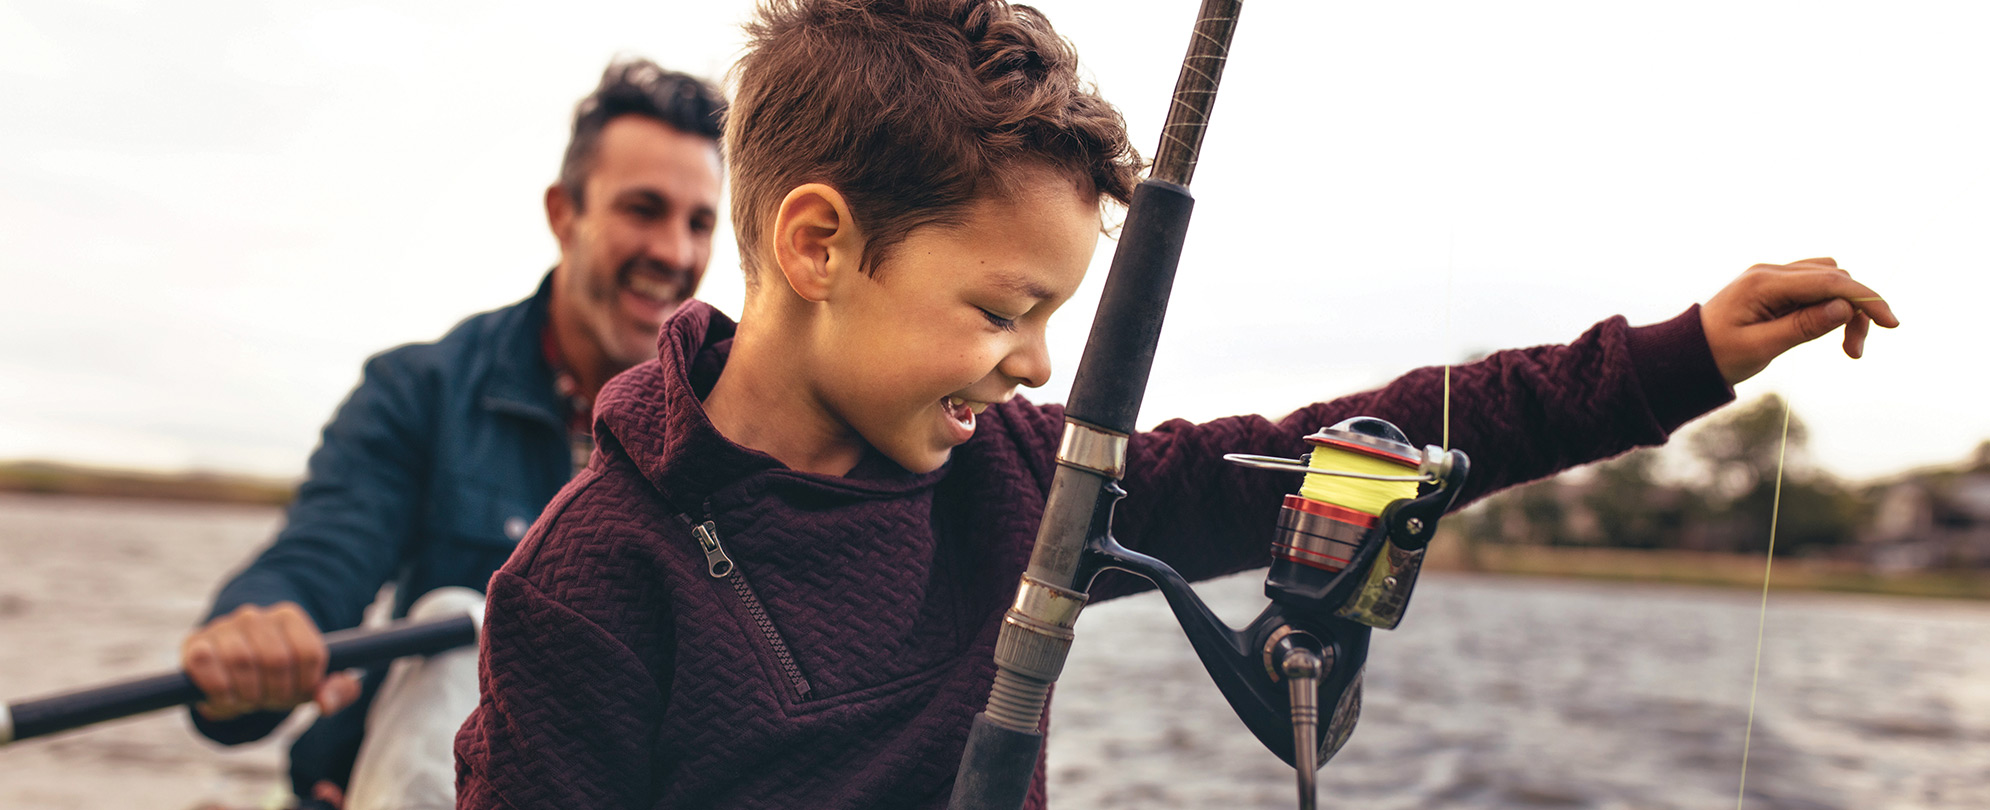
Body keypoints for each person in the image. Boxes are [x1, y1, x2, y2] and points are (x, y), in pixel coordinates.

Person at [453, 2, 1899, 808]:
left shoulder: (1027, 473)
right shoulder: (581, 587)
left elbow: (1362, 439)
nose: (1032, 365)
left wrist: (1680, 354)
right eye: (1000, 310)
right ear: (819, 244)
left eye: (1054, 319)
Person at [181, 59, 726, 810]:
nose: (674, 251)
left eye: (699, 223)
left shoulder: (728, 425)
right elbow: (322, 554)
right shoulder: (423, 390)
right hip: (404, 783)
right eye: (644, 209)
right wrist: (260, 635)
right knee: (454, 617)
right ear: (564, 213)